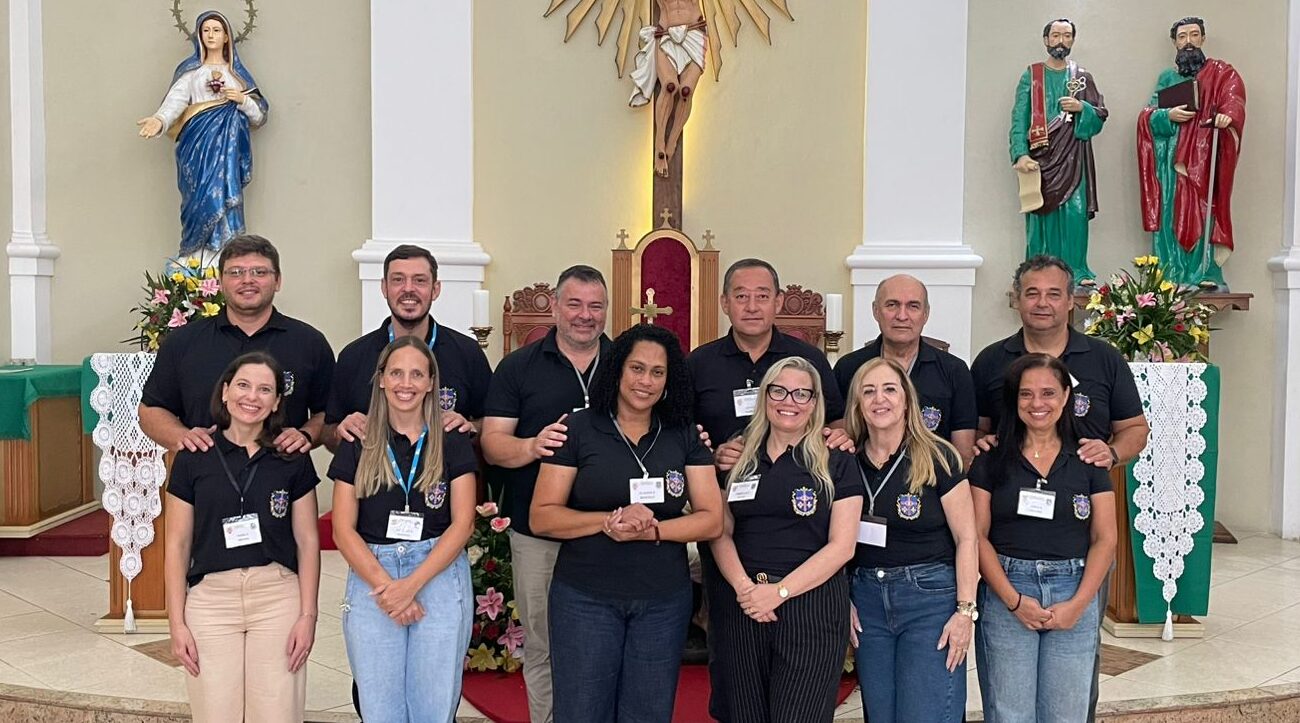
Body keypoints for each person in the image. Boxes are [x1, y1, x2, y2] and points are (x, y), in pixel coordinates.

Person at [970, 255, 1146, 722]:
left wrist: (1110, 454)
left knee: (1072, 694)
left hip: (1078, 539)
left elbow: (1135, 429)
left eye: (1054, 293)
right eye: (1032, 293)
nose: (1042, 303)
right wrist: (981, 446)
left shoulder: (1103, 359)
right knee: (1008, 701)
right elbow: (977, 433)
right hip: (1009, 547)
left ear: (1071, 301)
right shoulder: (990, 361)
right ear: (1016, 299)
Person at [531, 323, 723, 723]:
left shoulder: (684, 433)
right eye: (637, 368)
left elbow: (711, 520)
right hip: (585, 598)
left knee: (648, 713)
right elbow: (542, 516)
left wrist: (653, 531)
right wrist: (610, 521)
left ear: (669, 380)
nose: (645, 381)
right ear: (617, 369)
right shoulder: (578, 428)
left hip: (662, 602)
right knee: (582, 712)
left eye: (657, 372)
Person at [687, 257, 846, 720]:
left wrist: (833, 440)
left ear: (778, 301)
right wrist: (713, 455)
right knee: (735, 664)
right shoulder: (699, 363)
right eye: (741, 296)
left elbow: (835, 425)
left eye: (762, 296)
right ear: (724, 303)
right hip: (729, 523)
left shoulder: (808, 360)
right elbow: (683, 437)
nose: (752, 305)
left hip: (803, 537)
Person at [481, 265, 612, 723]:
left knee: (607, 643)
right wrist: (532, 447)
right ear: (554, 306)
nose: (585, 315)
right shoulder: (519, 367)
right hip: (538, 533)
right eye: (574, 304)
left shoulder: (625, 365)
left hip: (608, 531)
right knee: (543, 643)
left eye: (595, 306)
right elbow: (492, 444)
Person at [163, 351, 321, 722]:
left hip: (276, 595)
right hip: (212, 601)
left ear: (277, 401)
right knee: (216, 712)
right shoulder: (194, 454)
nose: (252, 397)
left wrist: (308, 615)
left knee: (278, 712)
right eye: (243, 385)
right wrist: (177, 623)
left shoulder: (291, 456)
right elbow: (177, 544)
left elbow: (308, 541)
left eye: (265, 389)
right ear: (225, 392)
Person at [328, 336, 478, 723]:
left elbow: (463, 523)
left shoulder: (453, 439)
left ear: (431, 383)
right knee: (380, 707)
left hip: (437, 570)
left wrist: (411, 585)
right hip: (372, 572)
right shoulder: (358, 440)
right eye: (396, 373)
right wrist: (389, 588)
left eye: (416, 374)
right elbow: (343, 529)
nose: (405, 383)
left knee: (433, 706)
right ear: (381, 379)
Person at [711, 357, 863, 722]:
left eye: (801, 393)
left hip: (811, 609)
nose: (788, 401)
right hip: (743, 605)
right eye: (778, 391)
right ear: (764, 396)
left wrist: (779, 592)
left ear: (814, 403)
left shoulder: (836, 460)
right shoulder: (738, 457)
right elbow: (720, 531)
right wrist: (746, 590)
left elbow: (842, 546)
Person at [971, 354, 1117, 722]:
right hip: (1008, 588)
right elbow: (977, 536)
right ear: (1014, 399)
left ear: (1066, 396)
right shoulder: (990, 458)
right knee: (1010, 712)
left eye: (1048, 393)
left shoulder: (1088, 458)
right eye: (1026, 394)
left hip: (1073, 588)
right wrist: (1014, 601)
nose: (1037, 403)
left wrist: (1079, 604)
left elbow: (1105, 538)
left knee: (1066, 713)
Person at [843, 358, 977, 723]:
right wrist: (844, 599)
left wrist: (965, 612)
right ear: (857, 404)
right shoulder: (845, 462)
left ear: (906, 400)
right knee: (880, 714)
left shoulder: (938, 456)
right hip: (866, 601)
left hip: (928, 600)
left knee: (926, 713)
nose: (879, 399)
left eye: (889, 389)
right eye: (868, 391)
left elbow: (967, 537)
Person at [140, 234, 333, 456]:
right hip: (202, 471)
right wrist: (182, 437)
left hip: (284, 471)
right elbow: (151, 409)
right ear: (220, 282)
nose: (247, 280)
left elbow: (329, 414)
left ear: (278, 281)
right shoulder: (183, 342)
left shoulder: (309, 343)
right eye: (236, 272)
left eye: (259, 272)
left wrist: (306, 434)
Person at [326, 244, 491, 449]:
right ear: (384, 288)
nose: (408, 289)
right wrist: (340, 432)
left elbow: (492, 424)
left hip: (448, 468)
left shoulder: (468, 353)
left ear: (435, 289)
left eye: (419, 280)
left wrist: (472, 428)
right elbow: (328, 432)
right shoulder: (353, 356)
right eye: (398, 280)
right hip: (372, 469)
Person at [137, 11, 268, 257]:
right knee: (198, 197)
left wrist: (242, 100)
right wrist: (159, 120)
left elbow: (259, 116)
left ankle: (226, 254)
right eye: (205, 30)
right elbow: (175, 102)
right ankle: (195, 256)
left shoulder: (238, 76)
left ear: (227, 37)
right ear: (198, 35)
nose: (210, 35)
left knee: (224, 195)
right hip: (197, 148)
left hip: (227, 153)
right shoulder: (192, 72)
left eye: (216, 30)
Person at [1137, 16, 1247, 289]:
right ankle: (1169, 274)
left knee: (1205, 210)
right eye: (1182, 36)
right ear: (1175, 43)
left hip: (1205, 158)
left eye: (1194, 35)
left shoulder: (1221, 73)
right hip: (1171, 161)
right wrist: (1167, 115)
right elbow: (1148, 115)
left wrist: (1227, 115)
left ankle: (1205, 272)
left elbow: (1234, 97)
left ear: (1203, 39)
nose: (1188, 42)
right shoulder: (1167, 78)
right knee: (1170, 213)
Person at [833, 274, 978, 466]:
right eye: (892, 305)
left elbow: (962, 455)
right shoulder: (848, 368)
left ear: (926, 314)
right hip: (865, 478)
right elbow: (841, 443)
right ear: (875, 311)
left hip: (933, 479)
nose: (902, 316)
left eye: (913, 306)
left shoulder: (955, 371)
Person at [1009, 18, 1108, 287]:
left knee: (1075, 216)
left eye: (1066, 35)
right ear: (1046, 40)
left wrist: (1082, 108)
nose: (1060, 41)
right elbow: (1019, 118)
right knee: (1042, 219)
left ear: (1073, 40)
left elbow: (1099, 116)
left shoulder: (1082, 77)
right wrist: (1020, 154)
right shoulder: (1032, 76)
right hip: (1041, 160)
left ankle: (1077, 270)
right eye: (1055, 35)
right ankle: (1038, 274)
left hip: (1074, 158)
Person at [630, 0, 707, 177]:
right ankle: (660, 144)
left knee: (686, 91)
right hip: (666, 34)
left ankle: (672, 142)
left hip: (694, 33)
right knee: (669, 87)